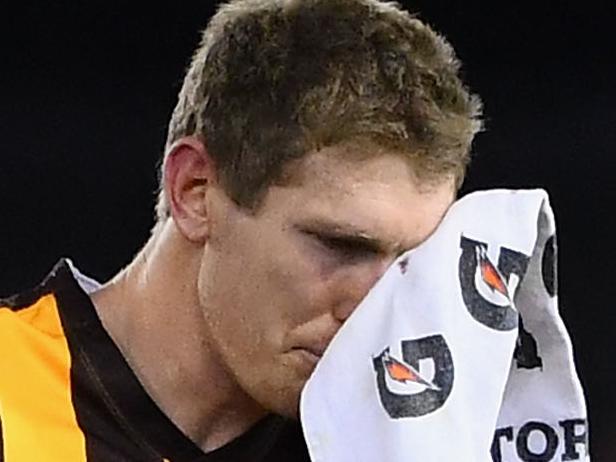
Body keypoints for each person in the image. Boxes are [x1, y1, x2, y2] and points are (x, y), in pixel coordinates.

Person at [0, 0, 482, 460]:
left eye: (409, 265)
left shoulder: (401, 444)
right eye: (342, 246)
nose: (375, 310)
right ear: (194, 190)